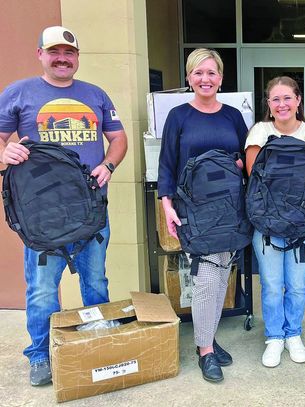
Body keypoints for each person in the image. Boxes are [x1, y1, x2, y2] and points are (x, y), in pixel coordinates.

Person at [0, 26, 128, 386]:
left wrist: (109, 164)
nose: (61, 58)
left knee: (95, 280)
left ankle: (97, 342)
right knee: (42, 288)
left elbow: (118, 138)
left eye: (68, 53)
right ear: (39, 53)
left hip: (90, 209)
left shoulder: (95, 95)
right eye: (54, 51)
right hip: (42, 214)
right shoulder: (19, 93)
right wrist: (3, 152)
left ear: (77, 57)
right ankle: (41, 355)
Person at [158, 48, 248, 383]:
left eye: (211, 73)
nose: (205, 79)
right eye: (198, 73)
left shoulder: (232, 117)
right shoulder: (179, 116)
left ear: (221, 78)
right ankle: (205, 350)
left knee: (222, 273)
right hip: (194, 210)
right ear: (189, 77)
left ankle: (207, 337)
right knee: (207, 278)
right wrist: (167, 205)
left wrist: (239, 164)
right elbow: (166, 163)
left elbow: (246, 155)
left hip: (229, 207)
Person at [245, 76, 305, 368]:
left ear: (298, 100)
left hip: (303, 225)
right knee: (271, 283)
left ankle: (294, 334)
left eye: (287, 98)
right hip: (266, 223)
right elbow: (255, 179)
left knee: (297, 284)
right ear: (268, 104)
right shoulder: (259, 131)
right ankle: (274, 337)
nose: (282, 104)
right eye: (276, 99)